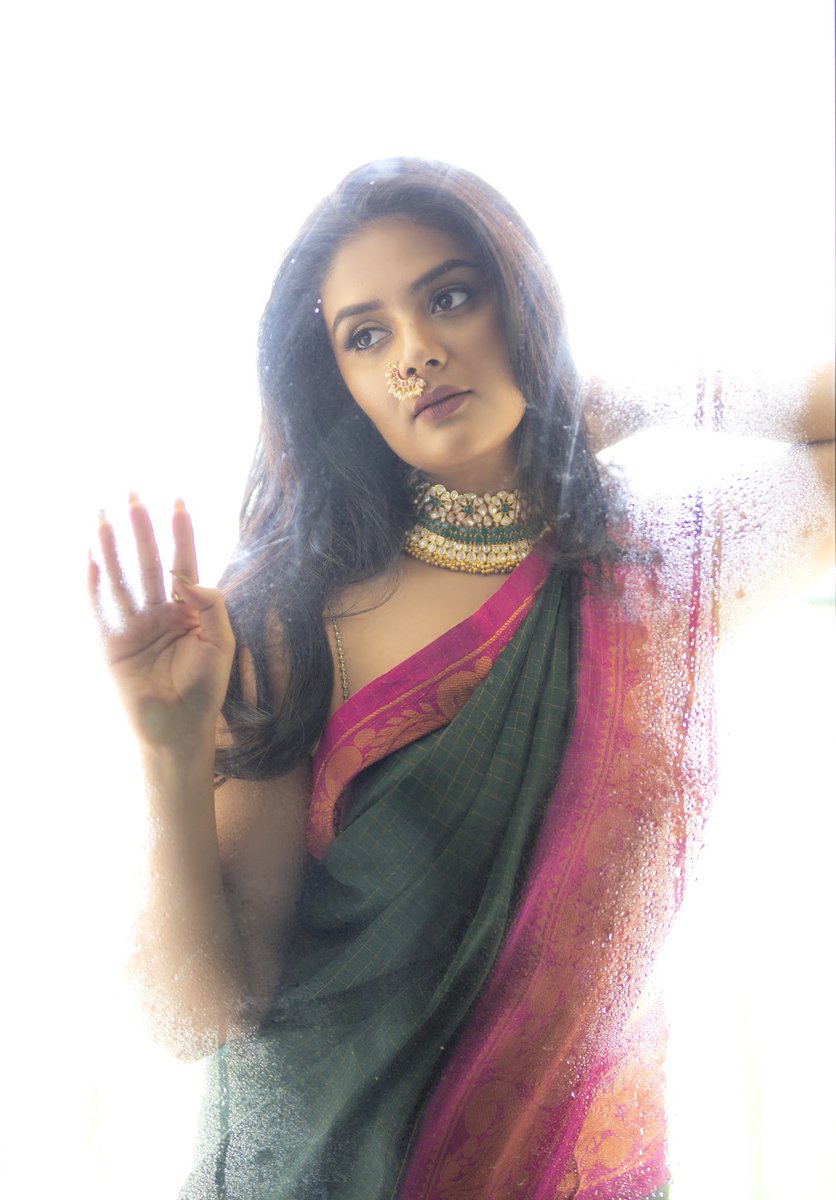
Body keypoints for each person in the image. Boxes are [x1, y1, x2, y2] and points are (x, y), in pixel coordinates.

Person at [89, 158, 834, 1200]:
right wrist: (170, 756)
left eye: (449, 297)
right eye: (366, 336)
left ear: (520, 302)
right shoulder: (289, 622)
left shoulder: (664, 573)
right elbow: (203, 1011)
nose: (415, 352)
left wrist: (602, 400)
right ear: (338, 382)